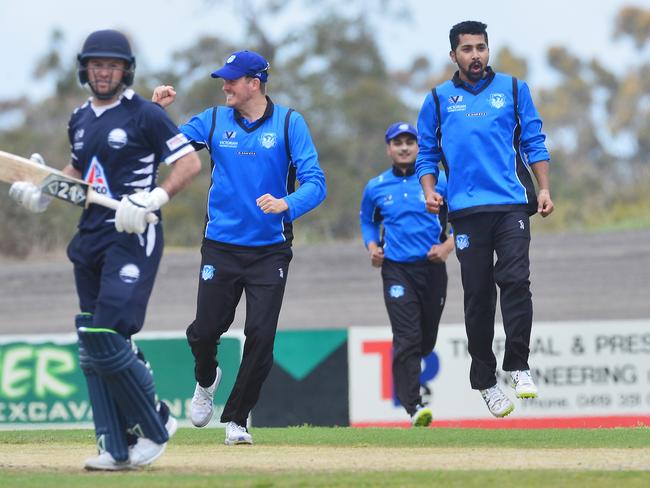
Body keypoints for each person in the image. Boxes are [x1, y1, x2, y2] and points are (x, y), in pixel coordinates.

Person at [8, 29, 201, 470]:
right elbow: (79, 170)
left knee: (107, 335)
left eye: (112, 65)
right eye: (96, 65)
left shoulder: (146, 115)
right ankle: (116, 447)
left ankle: (156, 422)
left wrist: (155, 198)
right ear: (85, 68)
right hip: (90, 236)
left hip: (131, 233)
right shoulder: (79, 117)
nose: (103, 72)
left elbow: (189, 163)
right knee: (90, 342)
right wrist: (43, 190)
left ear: (125, 70)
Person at [152, 50, 326, 445]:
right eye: (224, 80)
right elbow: (168, 149)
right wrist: (155, 114)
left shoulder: (289, 123)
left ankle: (237, 420)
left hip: (270, 250)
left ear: (255, 83)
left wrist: (287, 204)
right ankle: (206, 378)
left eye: (233, 79)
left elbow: (316, 182)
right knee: (204, 332)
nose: (225, 86)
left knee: (261, 336)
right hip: (221, 246)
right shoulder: (213, 120)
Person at [415, 21, 554, 418]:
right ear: (453, 56)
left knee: (515, 280)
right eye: (467, 49)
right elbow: (426, 154)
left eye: (481, 48)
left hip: (511, 205)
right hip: (466, 211)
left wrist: (543, 189)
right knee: (478, 297)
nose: (475, 55)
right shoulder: (438, 100)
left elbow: (533, 142)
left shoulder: (513, 90)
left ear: (488, 50)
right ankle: (486, 381)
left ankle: (519, 366)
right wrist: (429, 191)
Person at [360, 122, 454, 427]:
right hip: (397, 270)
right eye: (397, 142)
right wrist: (373, 247)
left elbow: (462, 222)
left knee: (425, 340)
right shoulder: (376, 187)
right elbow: (367, 221)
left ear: (418, 146)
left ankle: (412, 386)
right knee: (407, 337)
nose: (403, 147)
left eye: (409, 142)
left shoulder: (437, 183)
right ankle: (413, 406)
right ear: (388, 148)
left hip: (433, 269)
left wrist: (447, 247)